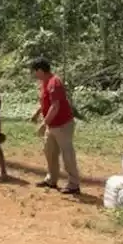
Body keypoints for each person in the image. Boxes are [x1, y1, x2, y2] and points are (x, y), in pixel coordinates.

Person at [29, 58, 81, 195]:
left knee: (67, 153)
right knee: (49, 151)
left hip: (62, 124)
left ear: (40, 70)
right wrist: (37, 113)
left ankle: (74, 184)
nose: (34, 74)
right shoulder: (45, 82)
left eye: (35, 71)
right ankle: (51, 179)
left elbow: (55, 106)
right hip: (52, 125)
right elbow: (45, 102)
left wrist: (43, 123)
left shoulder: (54, 83)